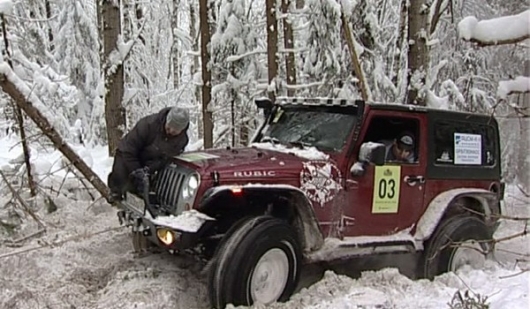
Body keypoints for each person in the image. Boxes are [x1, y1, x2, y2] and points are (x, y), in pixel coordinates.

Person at [107, 106, 190, 202]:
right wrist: (137, 171)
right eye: (168, 128)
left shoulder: (181, 141)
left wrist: (148, 170)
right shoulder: (147, 125)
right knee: (123, 179)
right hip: (128, 156)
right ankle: (115, 191)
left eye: (174, 131)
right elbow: (128, 150)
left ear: (182, 130)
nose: (170, 132)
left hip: (149, 161)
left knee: (143, 190)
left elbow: (164, 160)